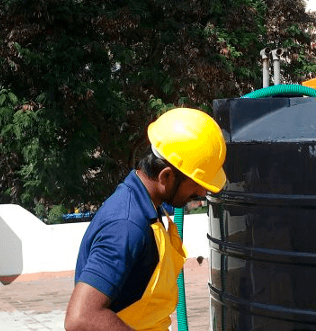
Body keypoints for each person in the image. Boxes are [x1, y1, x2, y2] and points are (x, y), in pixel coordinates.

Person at [64, 107, 227, 331]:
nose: (201, 192)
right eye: (196, 183)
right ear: (166, 176)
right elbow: (81, 317)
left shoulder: (149, 207)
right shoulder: (127, 225)